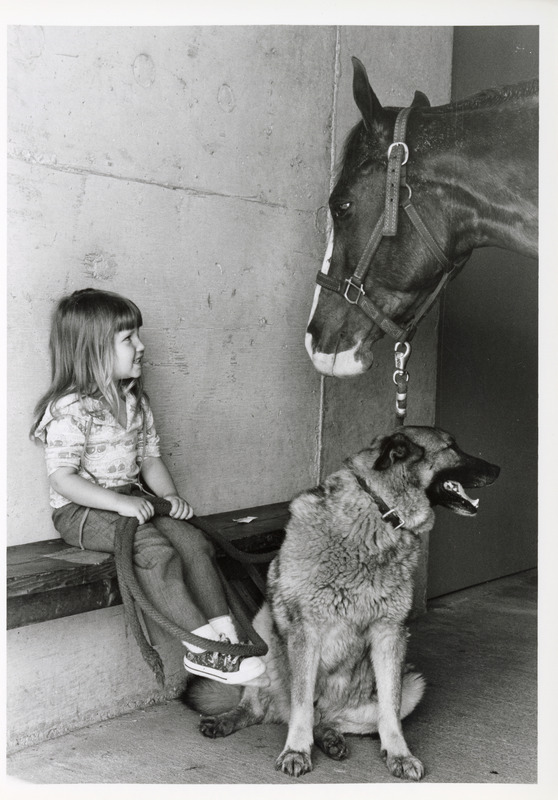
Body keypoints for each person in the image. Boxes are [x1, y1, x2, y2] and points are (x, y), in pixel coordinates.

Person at [30, 287, 266, 686]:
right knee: (153, 549)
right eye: (129, 339)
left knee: (193, 542)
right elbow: (63, 480)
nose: (141, 346)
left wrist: (169, 497)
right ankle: (202, 649)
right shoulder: (70, 410)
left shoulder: (135, 401)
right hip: (82, 512)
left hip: (132, 501)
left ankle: (226, 636)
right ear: (93, 351)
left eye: (138, 336)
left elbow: (150, 459)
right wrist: (119, 506)